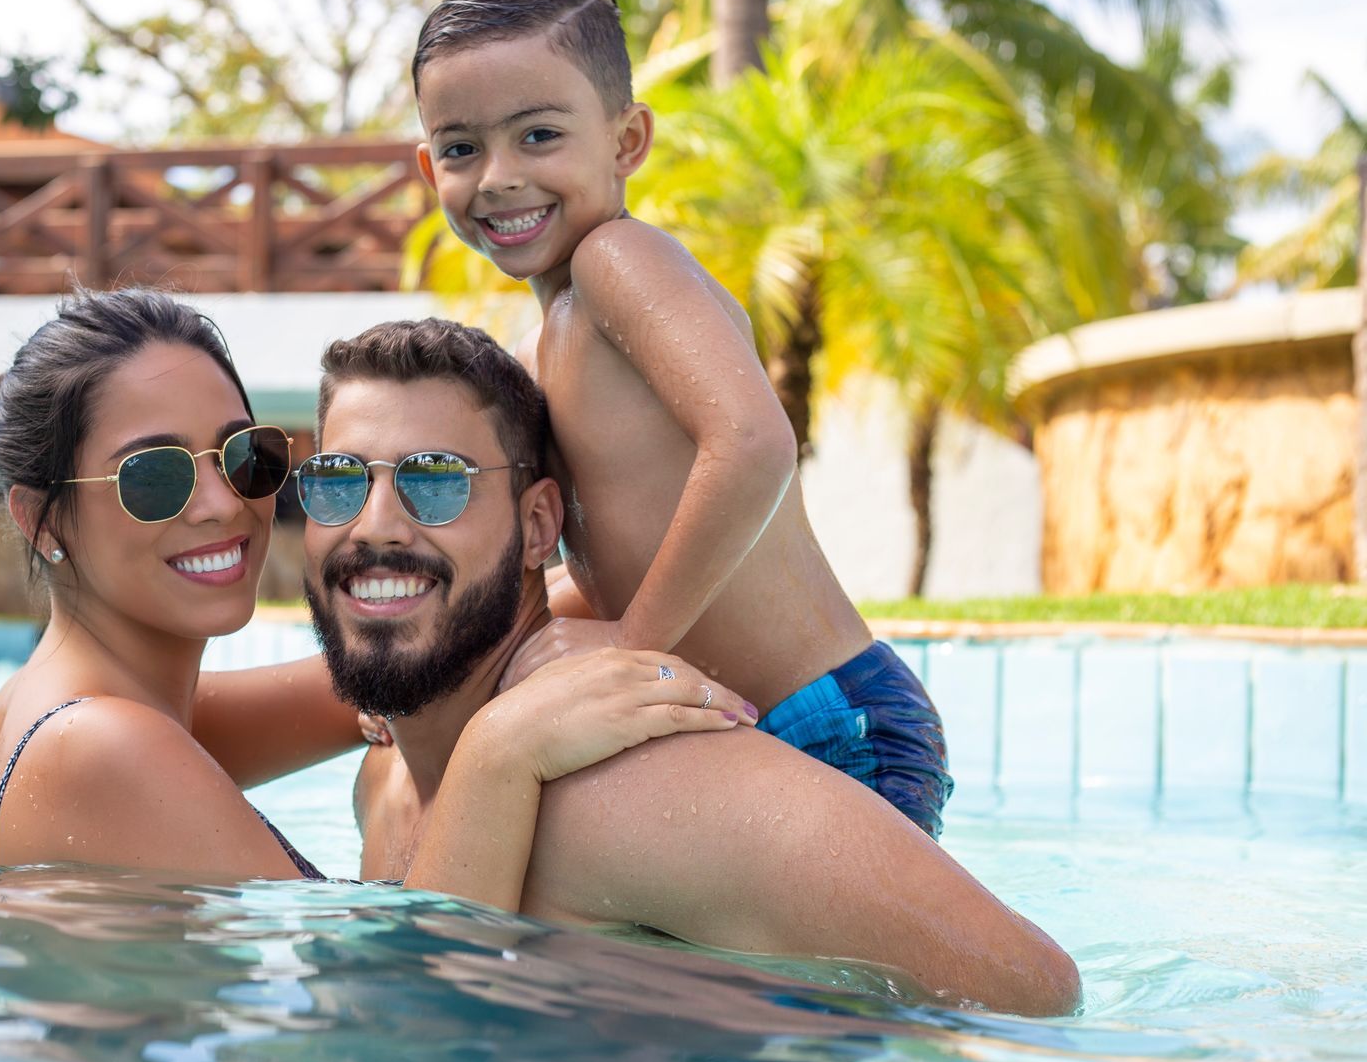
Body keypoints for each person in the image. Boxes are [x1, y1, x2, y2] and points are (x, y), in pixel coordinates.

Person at [298, 318, 1078, 1016]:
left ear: (538, 526)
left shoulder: (627, 790)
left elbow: (1032, 984)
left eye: (435, 480)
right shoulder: (387, 780)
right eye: (336, 481)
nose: (375, 526)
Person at [0, 287, 742, 899]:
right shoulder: (99, 746)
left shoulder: (70, 711)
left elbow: (441, 631)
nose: (222, 504)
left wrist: (602, 604)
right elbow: (401, 1022)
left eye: (243, 456)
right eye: (154, 477)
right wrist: (501, 754)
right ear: (39, 518)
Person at [410, 0, 953, 838]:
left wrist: (631, 644)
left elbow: (753, 445)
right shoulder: (542, 350)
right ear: (428, 165)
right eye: (463, 149)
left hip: (832, 721)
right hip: (764, 727)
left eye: (539, 135)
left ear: (627, 141)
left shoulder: (618, 262)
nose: (499, 176)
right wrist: (453, 673)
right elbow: (606, 564)